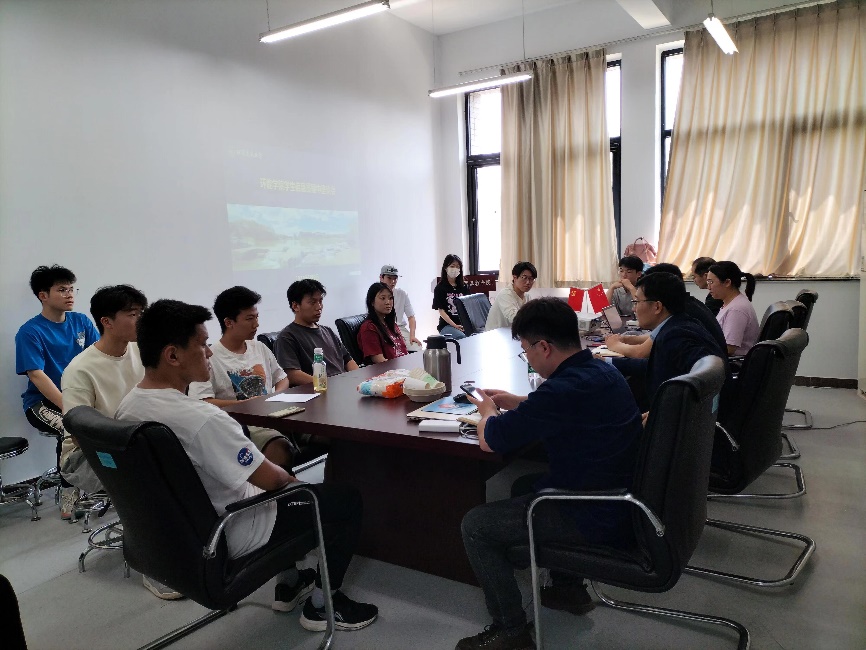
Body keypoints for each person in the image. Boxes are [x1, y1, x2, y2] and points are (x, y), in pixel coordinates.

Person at [115, 300, 378, 630]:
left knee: (292, 487)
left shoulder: (128, 407)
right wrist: (301, 486)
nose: (208, 353)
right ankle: (323, 606)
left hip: (167, 542)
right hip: (234, 529)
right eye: (202, 345)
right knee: (342, 499)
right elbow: (273, 481)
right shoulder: (202, 418)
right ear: (172, 355)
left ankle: (291, 582)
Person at [456, 298, 642, 650]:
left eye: (525, 350)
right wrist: (517, 401)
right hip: (620, 496)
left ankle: (510, 631)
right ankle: (567, 588)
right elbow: (565, 408)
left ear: (544, 347)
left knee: (476, 526)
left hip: (593, 511)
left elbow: (491, 440)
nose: (526, 357)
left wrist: (487, 412)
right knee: (525, 484)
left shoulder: (560, 390)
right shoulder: (601, 371)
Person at [61, 284, 182, 601]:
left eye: (142, 312)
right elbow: (80, 431)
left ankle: (189, 543)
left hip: (142, 445)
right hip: (88, 455)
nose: (141, 319)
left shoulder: (142, 352)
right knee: (148, 479)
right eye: (133, 314)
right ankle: (155, 566)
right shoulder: (80, 370)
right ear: (107, 321)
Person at [15, 265, 100, 519]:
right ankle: (69, 496)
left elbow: (96, 359)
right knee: (70, 428)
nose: (70, 294)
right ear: (43, 295)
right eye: (62, 289)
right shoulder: (30, 332)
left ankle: (106, 486)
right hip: (42, 403)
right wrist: (69, 406)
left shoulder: (81, 322)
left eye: (72, 289)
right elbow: (36, 375)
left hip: (79, 397)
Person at [188, 286, 298, 473]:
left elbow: (282, 378)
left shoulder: (259, 347)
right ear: (229, 322)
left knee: (329, 432)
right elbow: (202, 401)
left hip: (275, 414)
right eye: (249, 319)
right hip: (243, 425)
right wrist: (246, 404)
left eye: (256, 317)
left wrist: (274, 397)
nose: (256, 324)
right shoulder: (211, 356)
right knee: (281, 449)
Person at [610, 272, 726, 414]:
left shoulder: (676, 336)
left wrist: (662, 413)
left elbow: (703, 379)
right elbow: (656, 365)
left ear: (657, 307)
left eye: (637, 302)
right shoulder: (679, 324)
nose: (634, 309)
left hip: (687, 420)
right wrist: (609, 362)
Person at [604, 263, 727, 362]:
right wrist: (628, 339)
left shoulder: (683, 317)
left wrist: (613, 347)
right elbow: (658, 337)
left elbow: (641, 353)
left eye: (637, 302)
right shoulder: (685, 307)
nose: (634, 309)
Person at [275, 279, 359, 386]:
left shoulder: (328, 331)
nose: (319, 307)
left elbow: (348, 360)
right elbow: (292, 375)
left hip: (341, 386)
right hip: (319, 390)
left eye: (320, 301)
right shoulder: (287, 337)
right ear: (295, 306)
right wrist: (325, 384)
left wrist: (359, 379)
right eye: (312, 302)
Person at [706, 261, 759, 356]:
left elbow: (729, 348)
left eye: (711, 282)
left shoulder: (736, 309)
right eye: (708, 282)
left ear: (727, 282)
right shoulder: (731, 304)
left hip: (733, 362)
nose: (708, 287)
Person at [357, 282, 408, 364]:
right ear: (372, 302)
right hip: (390, 370)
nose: (388, 302)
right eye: (383, 298)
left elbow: (404, 353)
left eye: (390, 298)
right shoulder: (369, 328)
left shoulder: (391, 325)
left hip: (404, 367)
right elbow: (380, 361)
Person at [379, 265, 422, 351]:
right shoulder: (376, 294)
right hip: (382, 328)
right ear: (381, 278)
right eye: (389, 278)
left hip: (399, 328)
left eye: (395, 278)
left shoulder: (402, 293)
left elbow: (411, 317)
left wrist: (412, 335)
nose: (392, 281)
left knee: (416, 347)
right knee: (392, 348)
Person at [485, 262, 536, 330]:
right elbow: (515, 319)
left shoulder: (527, 297)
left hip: (512, 332)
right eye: (524, 277)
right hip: (495, 333)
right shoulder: (505, 294)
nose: (528, 282)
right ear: (515, 278)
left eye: (531, 279)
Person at [432, 254, 470, 339]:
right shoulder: (440, 288)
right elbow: (441, 311)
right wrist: (455, 325)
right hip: (447, 325)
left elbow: (468, 307)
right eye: (452, 266)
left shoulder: (464, 286)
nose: (455, 269)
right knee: (461, 337)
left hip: (463, 324)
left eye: (458, 267)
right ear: (445, 268)